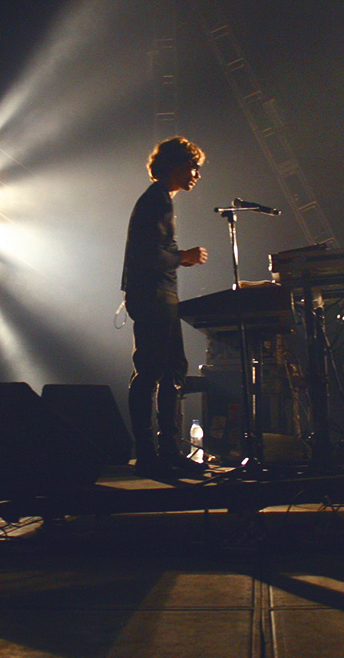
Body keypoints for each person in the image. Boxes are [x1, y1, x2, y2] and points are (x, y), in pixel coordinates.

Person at [121, 137, 209, 478]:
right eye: (193, 167)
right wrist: (182, 256)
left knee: (172, 371)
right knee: (152, 371)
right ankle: (148, 454)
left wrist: (177, 258)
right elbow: (149, 255)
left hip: (161, 295)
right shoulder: (155, 201)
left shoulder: (159, 200)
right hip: (153, 296)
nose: (197, 174)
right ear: (175, 165)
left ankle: (168, 451)